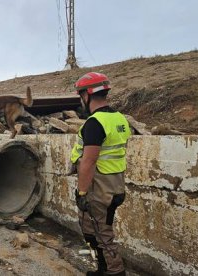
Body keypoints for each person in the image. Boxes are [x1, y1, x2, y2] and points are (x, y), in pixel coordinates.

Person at [70, 72, 131, 276]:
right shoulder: (119, 118)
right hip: (116, 185)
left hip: (100, 189)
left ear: (87, 95)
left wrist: (81, 192)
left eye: (81, 95)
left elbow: (89, 161)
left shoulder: (95, 123)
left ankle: (115, 272)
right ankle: (103, 269)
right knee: (94, 230)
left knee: (102, 234)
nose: (81, 100)